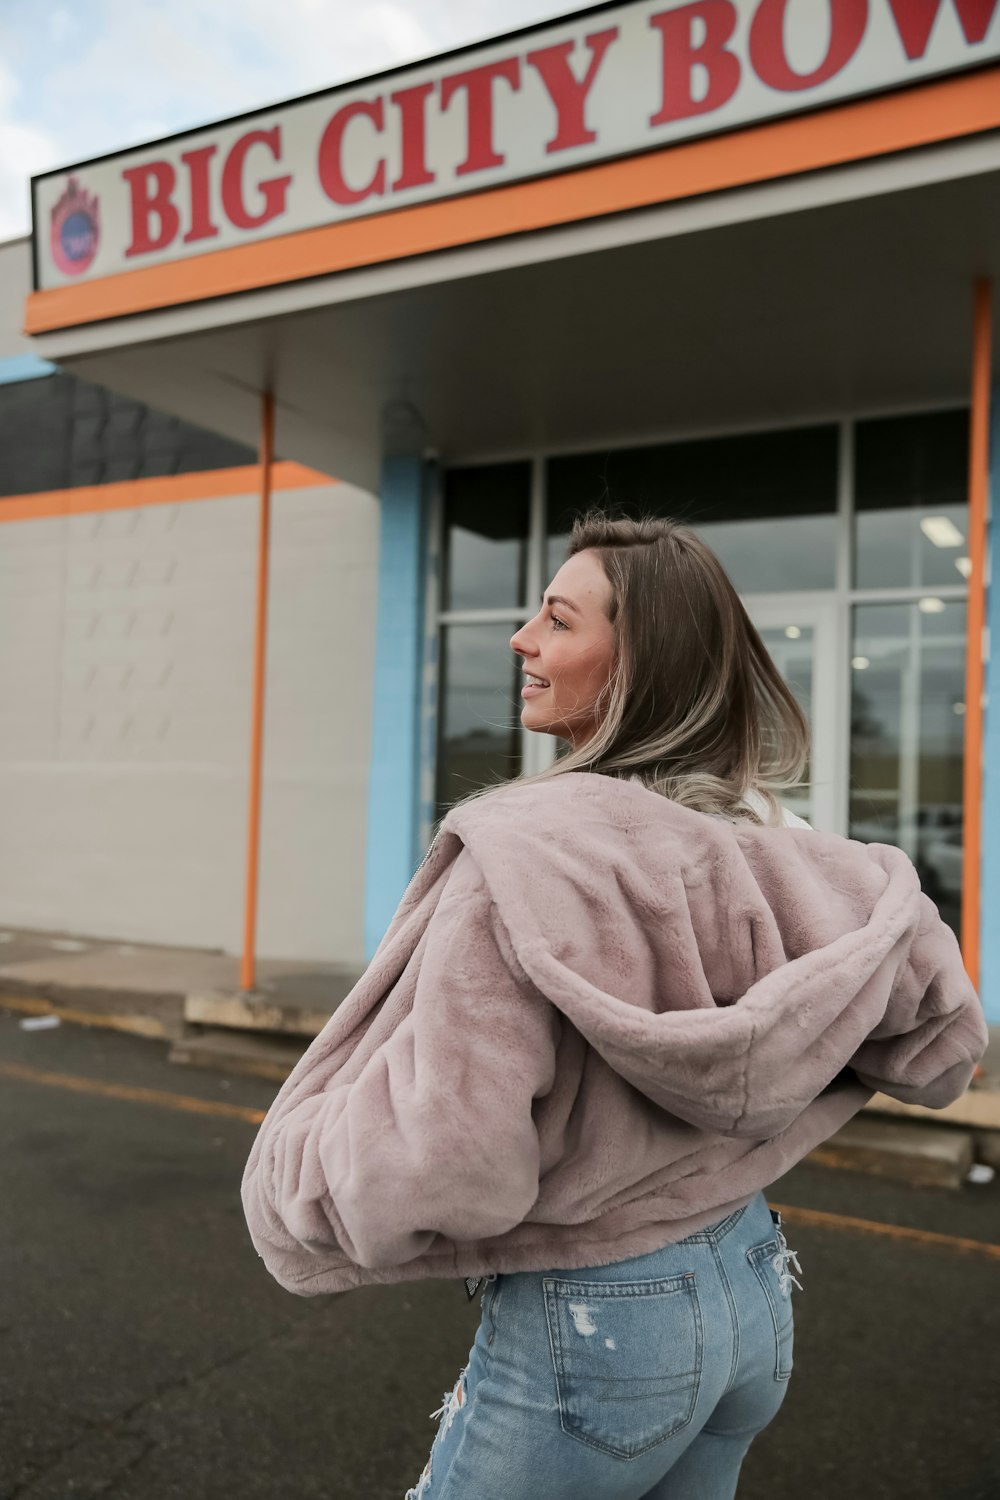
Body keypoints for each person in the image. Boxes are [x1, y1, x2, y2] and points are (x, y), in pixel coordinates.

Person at [241, 511, 987, 1500]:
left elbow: (447, 1161)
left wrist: (301, 1189)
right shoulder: (776, 843)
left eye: (556, 620)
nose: (521, 640)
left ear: (634, 666)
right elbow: (940, 1049)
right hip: (753, 1285)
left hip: (598, 1323)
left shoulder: (523, 859)